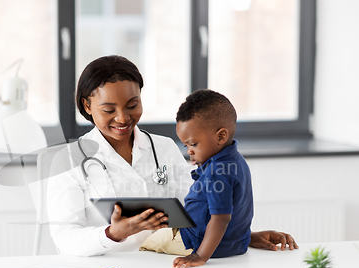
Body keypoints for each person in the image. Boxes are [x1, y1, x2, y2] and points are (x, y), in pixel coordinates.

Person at [45, 55, 298, 257]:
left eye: (132, 105)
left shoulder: (164, 148)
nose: (123, 118)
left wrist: (244, 237)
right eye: (109, 109)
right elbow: (65, 240)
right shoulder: (67, 161)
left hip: (168, 266)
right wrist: (112, 233)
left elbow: (198, 214)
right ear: (87, 106)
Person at [171, 89, 252, 268]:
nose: (188, 151)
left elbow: (221, 218)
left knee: (147, 239)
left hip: (197, 242)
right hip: (235, 245)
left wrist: (200, 256)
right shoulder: (236, 160)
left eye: (193, 144)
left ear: (221, 136)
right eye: (185, 145)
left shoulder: (217, 171)